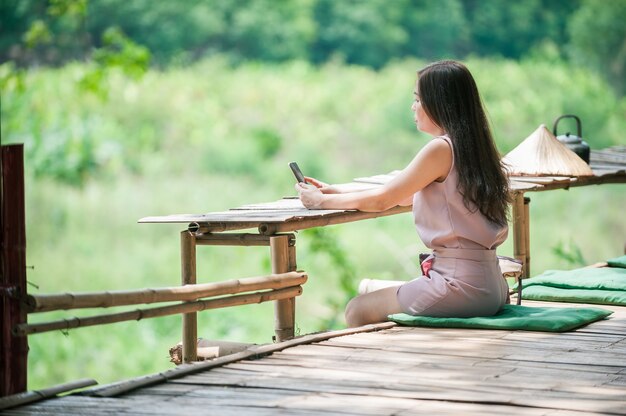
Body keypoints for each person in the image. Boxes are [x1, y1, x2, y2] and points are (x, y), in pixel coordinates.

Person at [296, 60, 511, 327]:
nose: (414, 106)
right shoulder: (478, 150)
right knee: (369, 296)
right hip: (491, 285)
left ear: (440, 103)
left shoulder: (441, 149)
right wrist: (336, 190)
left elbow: (384, 199)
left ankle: (381, 368)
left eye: (418, 99)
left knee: (357, 309)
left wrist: (321, 201)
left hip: (460, 286)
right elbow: (403, 191)